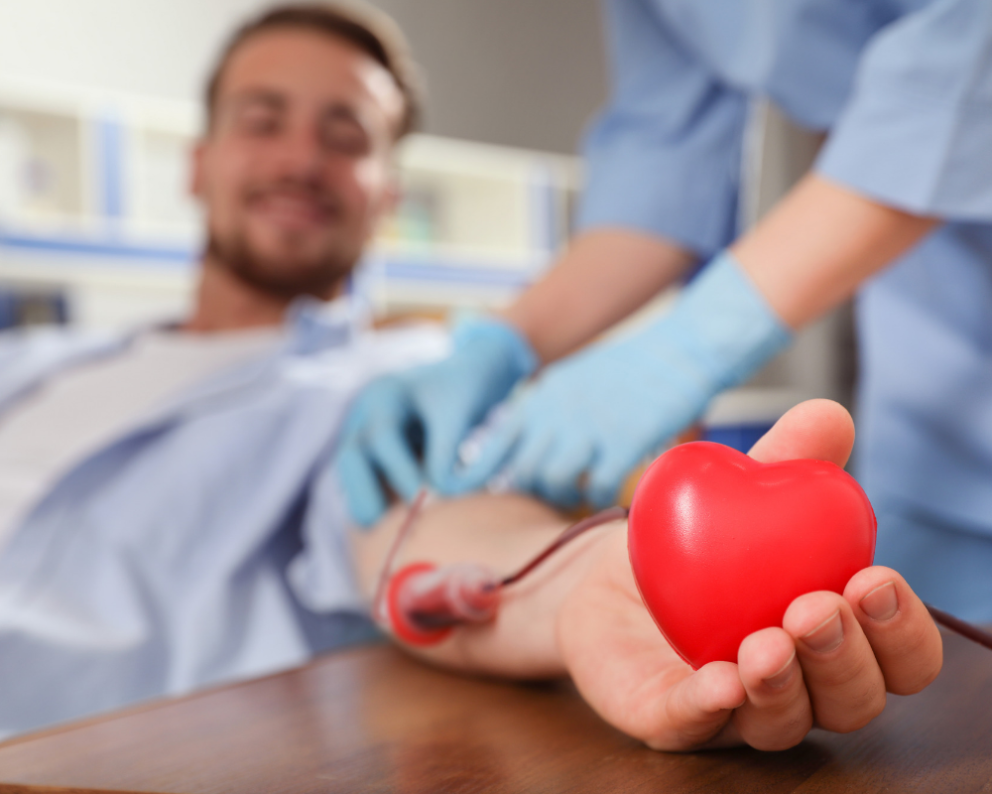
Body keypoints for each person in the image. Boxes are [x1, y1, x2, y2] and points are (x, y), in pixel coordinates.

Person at [337, 0, 992, 622]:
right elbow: (664, 160)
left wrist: (688, 346)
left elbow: (959, 83)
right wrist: (506, 341)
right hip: (933, 386)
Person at [0, 1, 445, 735]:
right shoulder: (33, 360)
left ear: (386, 197)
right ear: (197, 165)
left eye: (344, 137)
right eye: (262, 121)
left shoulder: (387, 383)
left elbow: (440, 540)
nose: (300, 162)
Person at [354, 399, 943, 753]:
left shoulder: (404, 377)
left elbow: (427, 526)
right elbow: (389, 540)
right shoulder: (374, 409)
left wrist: (579, 578)